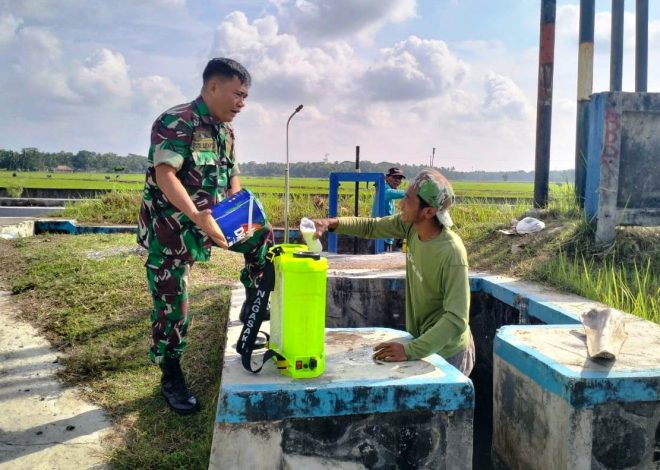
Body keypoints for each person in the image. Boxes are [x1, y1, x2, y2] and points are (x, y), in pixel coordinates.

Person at [137, 58, 274, 414]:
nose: (242, 103)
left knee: (262, 237)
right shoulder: (175, 121)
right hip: (173, 228)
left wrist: (238, 211)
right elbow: (166, 175)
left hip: (213, 220)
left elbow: (232, 178)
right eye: (237, 94)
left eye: (246, 96)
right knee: (173, 307)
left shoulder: (226, 133)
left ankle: (252, 300)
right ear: (213, 87)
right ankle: (171, 374)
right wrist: (198, 216)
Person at [312, 169, 474, 376]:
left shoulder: (451, 253)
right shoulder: (412, 227)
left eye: (408, 199)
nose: (401, 204)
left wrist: (410, 350)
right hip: (421, 342)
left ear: (428, 212)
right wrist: (329, 223)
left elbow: (456, 319)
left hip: (448, 352)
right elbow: (372, 227)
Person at [371, 167, 406, 252]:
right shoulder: (385, 190)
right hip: (381, 237)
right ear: (387, 177)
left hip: (385, 236)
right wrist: (416, 192)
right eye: (395, 177)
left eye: (400, 178)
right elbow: (404, 194)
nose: (397, 180)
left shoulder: (389, 190)